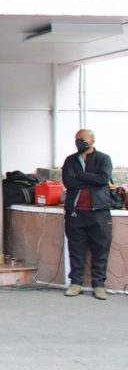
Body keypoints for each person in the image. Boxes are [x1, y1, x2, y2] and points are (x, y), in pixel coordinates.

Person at [61, 128, 115, 300]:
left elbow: (103, 180)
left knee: (100, 249)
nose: (79, 142)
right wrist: (90, 180)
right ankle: (75, 283)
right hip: (75, 212)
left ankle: (99, 285)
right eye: (76, 139)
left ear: (92, 141)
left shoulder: (103, 159)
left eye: (82, 139)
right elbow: (69, 182)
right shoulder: (70, 160)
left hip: (98, 212)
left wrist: (81, 176)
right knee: (75, 249)